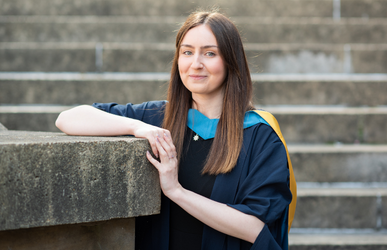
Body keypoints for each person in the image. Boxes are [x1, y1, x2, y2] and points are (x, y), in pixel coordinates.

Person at [56, 10, 295, 250]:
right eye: (187, 52)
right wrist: (137, 126)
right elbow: (68, 119)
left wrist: (176, 191)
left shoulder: (260, 135)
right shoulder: (158, 118)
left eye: (210, 53)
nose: (196, 64)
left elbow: (255, 226)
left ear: (231, 61)